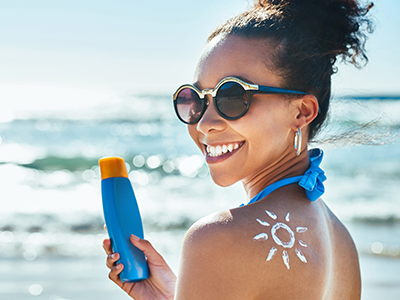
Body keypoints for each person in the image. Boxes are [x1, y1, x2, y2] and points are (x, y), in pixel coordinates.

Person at [103, 0, 374, 299]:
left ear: (302, 112)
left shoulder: (217, 240)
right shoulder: (342, 243)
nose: (205, 123)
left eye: (232, 96)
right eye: (195, 99)